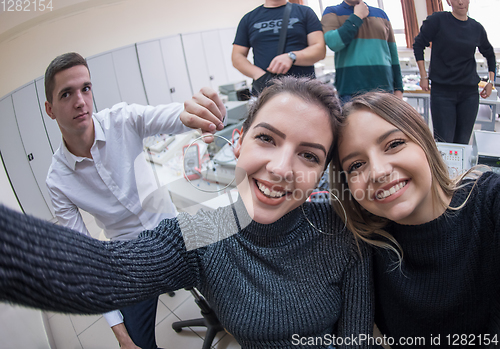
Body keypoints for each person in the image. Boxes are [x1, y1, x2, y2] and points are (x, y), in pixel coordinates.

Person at [0, 77, 373, 349]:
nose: (280, 168)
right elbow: (99, 271)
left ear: (323, 170)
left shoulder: (340, 228)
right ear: (238, 141)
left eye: (308, 155)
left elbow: (356, 341)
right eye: (266, 138)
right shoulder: (209, 227)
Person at [43, 52, 226, 349]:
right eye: (67, 94)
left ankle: (224, 312)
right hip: (131, 256)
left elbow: (172, 115)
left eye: (85, 89)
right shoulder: (58, 180)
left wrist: (198, 112)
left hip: (172, 229)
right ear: (50, 110)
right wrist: (119, 332)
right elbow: (83, 260)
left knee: (235, 280)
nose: (80, 101)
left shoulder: (122, 119)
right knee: (136, 343)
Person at [330, 91, 500, 347]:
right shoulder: (364, 247)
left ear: (426, 139)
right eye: (356, 165)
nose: (378, 172)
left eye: (394, 144)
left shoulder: (492, 203)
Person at [413, 0, 496, 145]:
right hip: (443, 93)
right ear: (448, 1)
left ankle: (460, 170)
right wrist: (423, 75)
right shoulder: (437, 20)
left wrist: (490, 81)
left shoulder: (476, 28)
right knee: (444, 142)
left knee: (462, 142)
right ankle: (443, 169)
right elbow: (418, 44)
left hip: (469, 94)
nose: (460, 2)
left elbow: (490, 54)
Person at [232, 0, 326, 95]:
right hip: (266, 90)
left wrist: (292, 57)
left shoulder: (305, 12)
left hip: (304, 90)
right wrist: (258, 75)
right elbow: (237, 56)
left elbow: (319, 49)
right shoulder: (248, 19)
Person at [321, 0, 403, 104]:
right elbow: (334, 43)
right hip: (350, 90)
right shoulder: (332, 12)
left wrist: (399, 88)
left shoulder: (381, 14)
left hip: (384, 88)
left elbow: (393, 54)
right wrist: (357, 16)